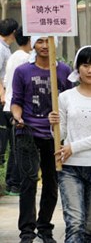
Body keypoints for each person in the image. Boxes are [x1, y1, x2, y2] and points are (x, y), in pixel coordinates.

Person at [48, 46, 91, 243]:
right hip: (69, 168)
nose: (90, 70)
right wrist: (52, 124)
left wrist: (73, 147)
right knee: (75, 224)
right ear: (77, 68)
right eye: (85, 65)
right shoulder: (64, 97)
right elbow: (60, 134)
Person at [11, 36, 73, 243]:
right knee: (28, 182)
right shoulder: (22, 71)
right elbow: (16, 101)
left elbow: (70, 104)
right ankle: (27, 232)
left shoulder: (64, 71)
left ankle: (45, 228)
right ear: (33, 45)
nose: (45, 46)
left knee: (51, 183)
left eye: (49, 41)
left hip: (55, 136)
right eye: (40, 42)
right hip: (27, 133)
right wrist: (18, 117)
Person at [2, 24, 29, 196]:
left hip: (8, 105)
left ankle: (12, 183)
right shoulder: (26, 58)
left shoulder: (13, 56)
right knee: (20, 147)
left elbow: (5, 80)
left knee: (15, 147)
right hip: (17, 107)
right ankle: (15, 184)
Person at [0, 18, 17, 167]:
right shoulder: (0, 48)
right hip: (2, 98)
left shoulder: (5, 47)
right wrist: (2, 95)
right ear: (13, 33)